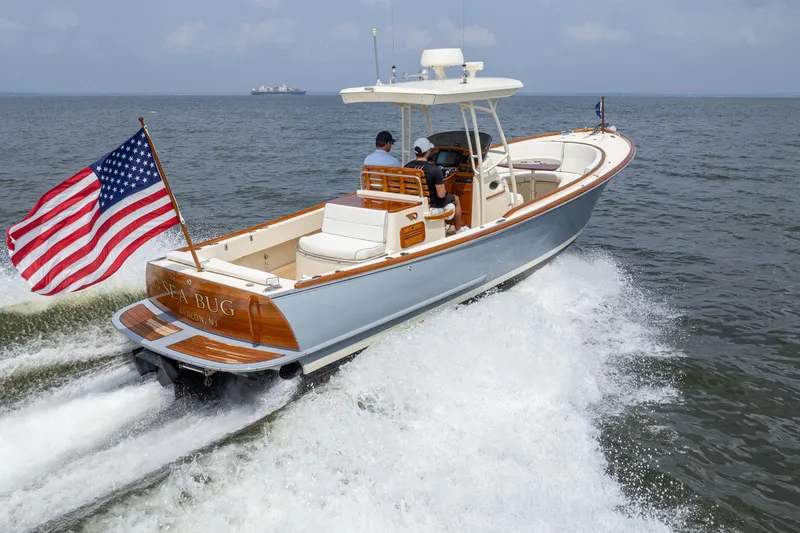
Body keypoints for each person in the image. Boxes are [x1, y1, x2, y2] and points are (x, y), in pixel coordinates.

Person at [405, 138, 467, 234]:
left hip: (415, 200)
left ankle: (444, 226)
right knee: (456, 199)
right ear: (428, 152)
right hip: (432, 203)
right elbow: (441, 195)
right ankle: (459, 229)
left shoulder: (407, 166)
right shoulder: (434, 170)